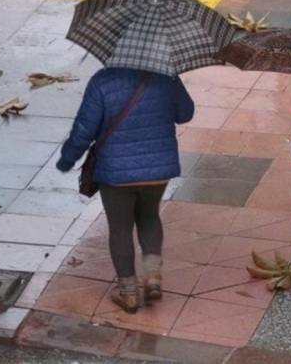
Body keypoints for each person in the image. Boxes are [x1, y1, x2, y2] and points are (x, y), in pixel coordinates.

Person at [56, 67, 194, 313]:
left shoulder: (102, 81)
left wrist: (67, 159)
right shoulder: (166, 76)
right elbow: (185, 114)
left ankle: (128, 292)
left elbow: (84, 131)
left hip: (115, 172)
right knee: (149, 216)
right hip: (157, 169)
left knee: (120, 228)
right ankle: (152, 276)